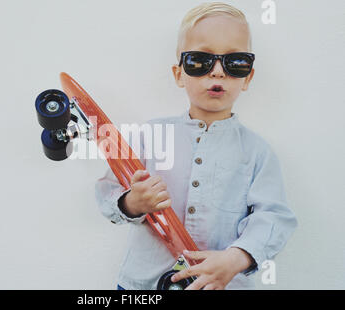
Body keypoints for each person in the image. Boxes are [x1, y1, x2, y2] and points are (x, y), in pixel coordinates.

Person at [95, 2, 297, 290]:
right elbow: (107, 192)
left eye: (235, 62)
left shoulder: (258, 153)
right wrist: (132, 203)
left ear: (248, 76)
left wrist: (236, 258)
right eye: (199, 61)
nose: (217, 72)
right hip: (143, 285)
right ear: (179, 74)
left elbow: (274, 217)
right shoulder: (149, 135)